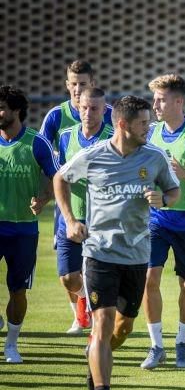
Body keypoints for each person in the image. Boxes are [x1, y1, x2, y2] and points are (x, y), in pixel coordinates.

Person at [54, 95, 180, 390]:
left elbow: (174, 191)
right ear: (123, 125)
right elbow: (60, 179)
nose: (148, 128)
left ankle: (95, 359)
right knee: (102, 323)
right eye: (142, 124)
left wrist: (162, 199)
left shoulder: (154, 158)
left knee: (122, 328)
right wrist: (70, 220)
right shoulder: (93, 156)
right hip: (99, 254)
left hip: (137, 255)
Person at [141, 75, 185, 370]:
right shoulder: (151, 134)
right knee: (149, 279)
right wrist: (146, 186)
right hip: (156, 220)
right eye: (155, 99)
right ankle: (156, 346)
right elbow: (142, 170)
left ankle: (182, 342)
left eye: (161, 99)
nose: (155, 105)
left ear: (178, 101)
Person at [0, 85, 58, 363]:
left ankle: (11, 345)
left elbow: (56, 178)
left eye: (2, 107)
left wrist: (44, 199)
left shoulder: (37, 142)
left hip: (24, 229)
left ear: (16, 111)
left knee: (18, 290)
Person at [56, 88, 114, 335]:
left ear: (104, 110)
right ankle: (83, 300)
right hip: (70, 218)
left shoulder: (114, 138)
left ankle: (99, 329)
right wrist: (66, 217)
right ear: (77, 108)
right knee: (68, 277)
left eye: (94, 108)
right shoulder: (67, 137)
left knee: (98, 277)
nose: (88, 113)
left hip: (101, 219)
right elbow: (60, 178)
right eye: (84, 108)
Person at [39, 59, 113, 148]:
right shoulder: (55, 115)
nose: (78, 90)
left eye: (82, 84)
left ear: (92, 84)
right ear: (67, 85)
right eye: (74, 84)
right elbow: (41, 150)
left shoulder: (110, 113)